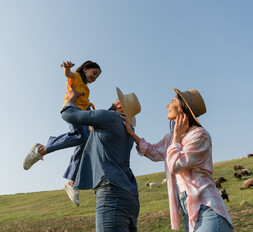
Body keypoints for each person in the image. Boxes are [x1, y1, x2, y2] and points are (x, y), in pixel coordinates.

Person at [123, 87, 233, 232]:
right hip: (189, 212)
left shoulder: (200, 136)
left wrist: (176, 137)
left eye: (173, 101)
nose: (167, 105)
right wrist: (131, 133)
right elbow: (152, 152)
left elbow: (175, 165)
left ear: (183, 108)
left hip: (207, 209)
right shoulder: (170, 138)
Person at [61, 87, 141, 232]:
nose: (114, 101)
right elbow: (107, 140)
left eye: (117, 99)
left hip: (112, 193)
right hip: (131, 198)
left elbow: (68, 114)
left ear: (119, 105)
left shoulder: (108, 117)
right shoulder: (129, 131)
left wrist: (71, 98)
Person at [23, 60, 101, 207]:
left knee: (85, 144)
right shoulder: (77, 76)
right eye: (94, 73)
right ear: (85, 69)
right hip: (72, 111)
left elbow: (85, 106)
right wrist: (67, 69)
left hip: (82, 116)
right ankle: (40, 150)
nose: (95, 77)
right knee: (80, 137)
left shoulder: (86, 89)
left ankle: (71, 182)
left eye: (97, 77)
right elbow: (69, 75)